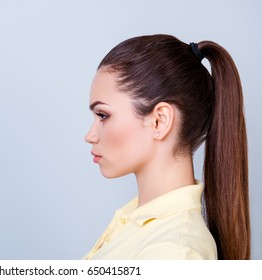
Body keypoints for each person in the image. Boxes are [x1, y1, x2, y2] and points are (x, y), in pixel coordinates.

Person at [84, 34, 250, 260]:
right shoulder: (135, 223)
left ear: (159, 121)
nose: (90, 136)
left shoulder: (174, 252)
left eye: (103, 115)